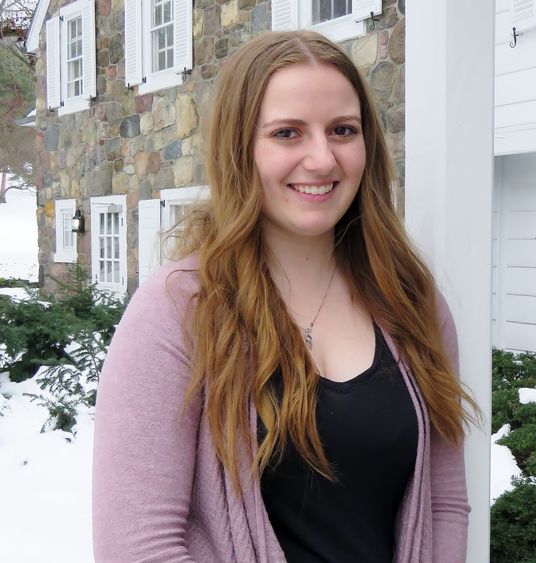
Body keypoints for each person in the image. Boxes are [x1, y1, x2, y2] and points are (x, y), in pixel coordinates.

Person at [92, 30, 478, 563]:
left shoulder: (412, 301)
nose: (322, 160)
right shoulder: (178, 310)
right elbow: (137, 545)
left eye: (342, 130)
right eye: (288, 133)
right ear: (239, 148)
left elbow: (444, 504)